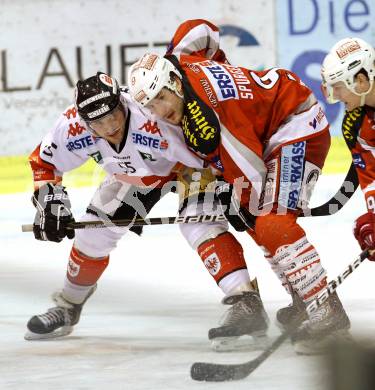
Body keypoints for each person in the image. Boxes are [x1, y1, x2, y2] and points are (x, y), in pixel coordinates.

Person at [128, 19, 351, 354]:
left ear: (174, 83)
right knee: (259, 222)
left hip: (296, 122)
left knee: (269, 219)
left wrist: (239, 201)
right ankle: (304, 299)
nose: (161, 110)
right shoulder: (179, 63)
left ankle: (327, 311)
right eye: (151, 104)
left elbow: (251, 174)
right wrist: (219, 66)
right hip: (269, 124)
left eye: (162, 97)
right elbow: (199, 28)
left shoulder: (211, 119)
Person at [25, 71, 269, 351]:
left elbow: (212, 149)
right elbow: (44, 164)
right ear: (84, 121)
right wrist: (50, 203)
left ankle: (245, 301)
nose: (110, 125)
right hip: (134, 176)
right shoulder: (72, 126)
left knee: (198, 223)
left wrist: (232, 185)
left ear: (122, 102)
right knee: (92, 232)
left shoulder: (151, 114)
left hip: (192, 165)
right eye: (98, 122)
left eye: (114, 114)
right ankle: (69, 305)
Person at [321, 38, 375, 259]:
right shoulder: (355, 122)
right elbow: (371, 177)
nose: (336, 96)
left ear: (361, 81)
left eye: (339, 88)